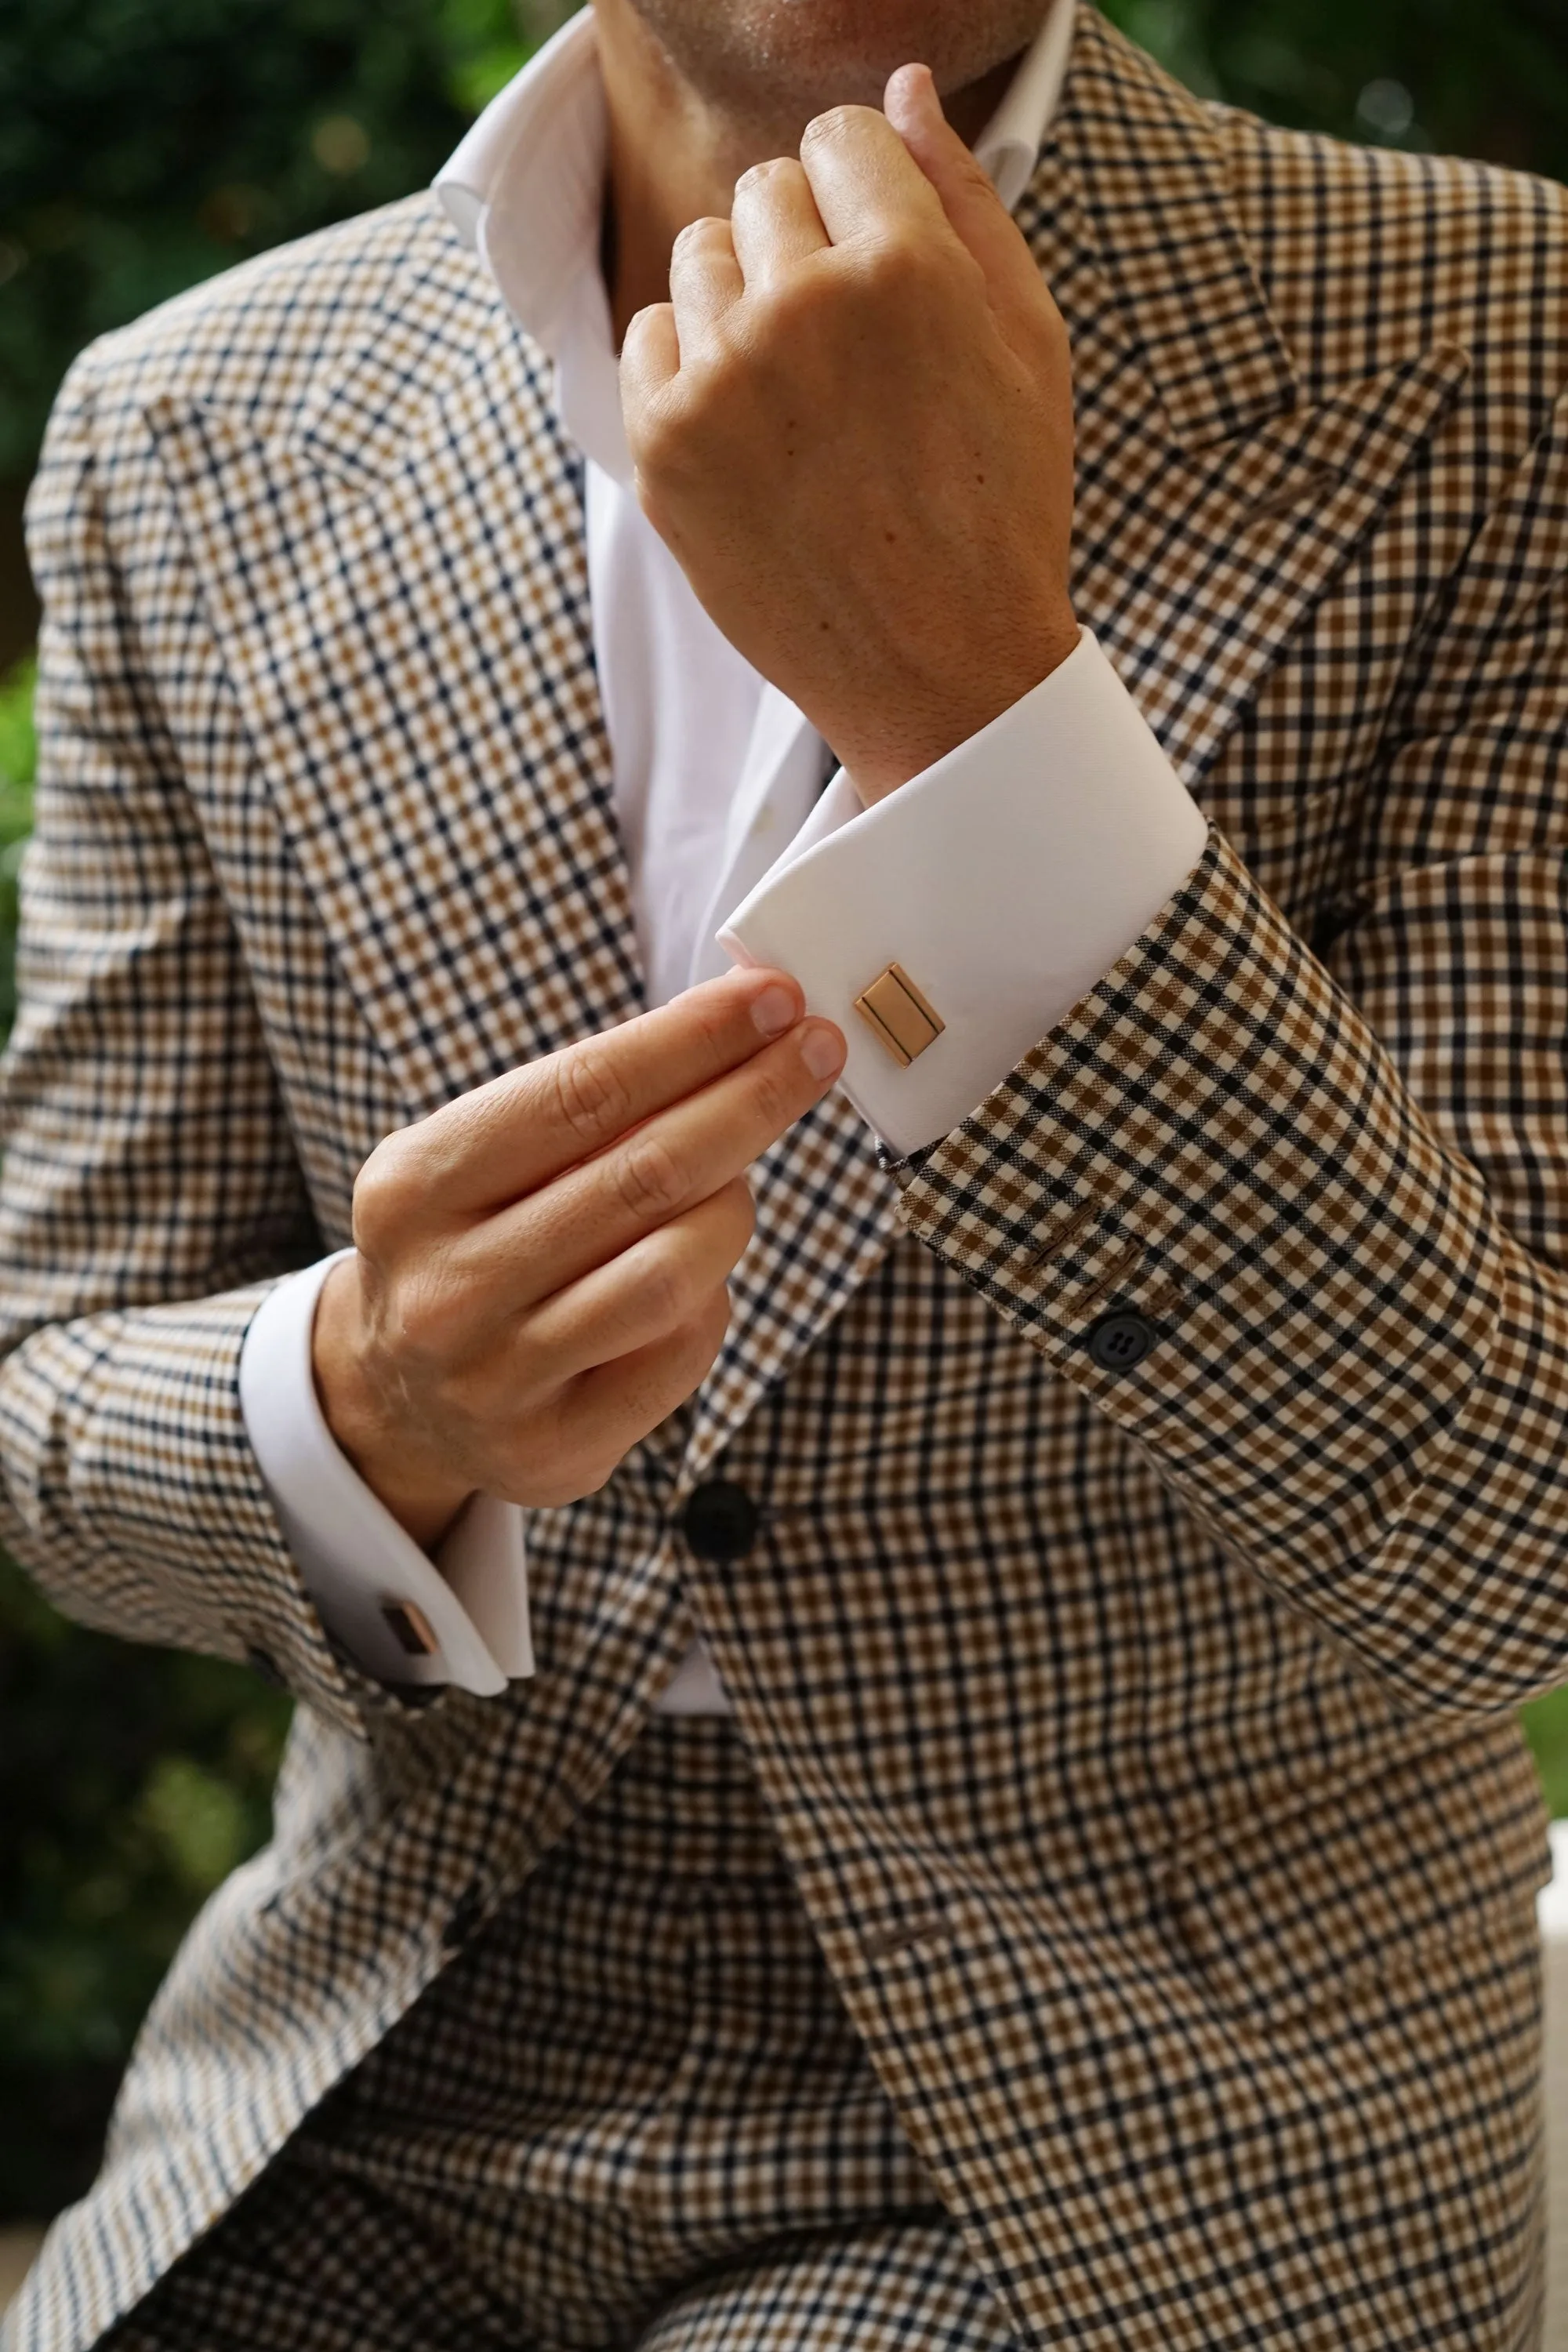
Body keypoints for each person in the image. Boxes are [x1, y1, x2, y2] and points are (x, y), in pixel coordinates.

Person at [3, 0, 1566, 2341]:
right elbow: (47, 1395)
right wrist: (361, 1404)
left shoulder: (1499, 343)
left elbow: (1515, 1527)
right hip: (387, 2050)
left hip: (1150, 2102)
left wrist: (980, 715)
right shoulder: (181, 430)